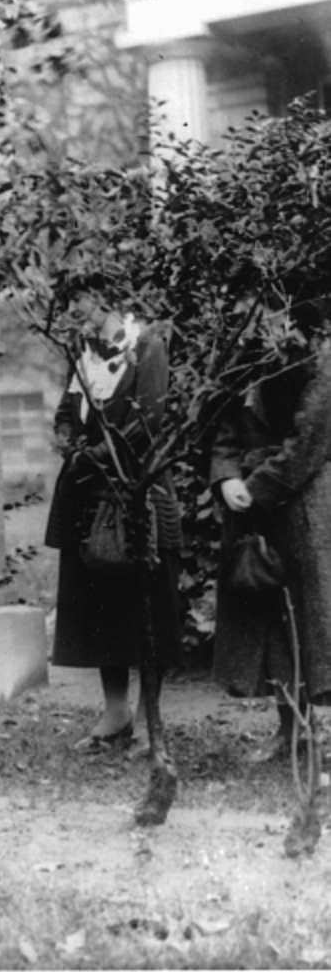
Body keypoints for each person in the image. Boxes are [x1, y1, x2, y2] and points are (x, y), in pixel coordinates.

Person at [44, 300, 184, 750]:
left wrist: (94, 458)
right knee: (99, 606)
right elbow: (66, 412)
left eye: (87, 307)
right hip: (88, 496)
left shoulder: (148, 347)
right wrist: (69, 445)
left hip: (136, 492)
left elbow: (147, 423)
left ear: (111, 304)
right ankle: (115, 712)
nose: (81, 318)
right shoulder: (84, 353)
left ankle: (148, 720)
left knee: (146, 606)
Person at [211, 306, 331, 762]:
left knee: (318, 619)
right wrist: (225, 479)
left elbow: (309, 443)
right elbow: (223, 428)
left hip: (306, 506)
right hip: (251, 508)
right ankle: (291, 730)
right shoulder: (242, 358)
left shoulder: (319, 358)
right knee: (272, 622)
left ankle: (318, 732)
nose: (261, 318)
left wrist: (255, 487)